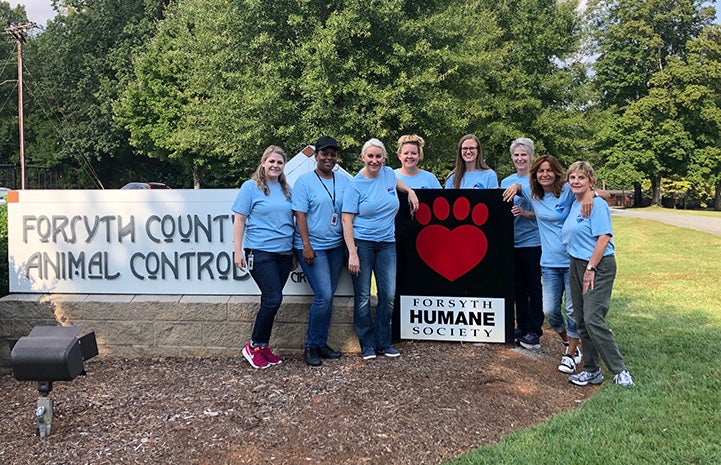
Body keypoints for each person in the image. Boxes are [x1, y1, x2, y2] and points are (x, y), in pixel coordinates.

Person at [503, 155, 593, 373]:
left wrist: (590, 195)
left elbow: (600, 194)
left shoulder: (567, 193)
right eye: (540, 171)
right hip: (549, 263)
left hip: (572, 260)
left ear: (556, 173)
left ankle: (570, 354)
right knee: (550, 310)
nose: (545, 174)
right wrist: (518, 191)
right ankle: (567, 341)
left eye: (549, 171)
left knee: (572, 310)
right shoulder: (534, 194)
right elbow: (540, 211)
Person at [342, 138, 419, 360]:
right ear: (363, 158)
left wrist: (410, 191)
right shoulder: (355, 185)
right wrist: (353, 253)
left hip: (387, 244)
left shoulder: (387, 174)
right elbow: (347, 221)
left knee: (388, 295)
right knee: (364, 296)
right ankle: (367, 344)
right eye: (370, 156)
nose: (374, 160)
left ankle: (383, 343)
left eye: (378, 156)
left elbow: (396, 183)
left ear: (384, 158)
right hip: (362, 244)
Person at [562, 161, 633, 387]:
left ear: (590, 181)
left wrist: (591, 268)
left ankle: (620, 370)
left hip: (597, 265)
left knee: (593, 318)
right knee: (581, 320)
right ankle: (592, 371)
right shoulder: (575, 201)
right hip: (576, 263)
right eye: (572, 177)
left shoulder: (596, 205)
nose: (576, 182)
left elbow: (604, 237)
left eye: (581, 178)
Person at [232, 145, 295, 369]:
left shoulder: (287, 189)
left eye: (279, 162)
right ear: (263, 162)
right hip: (260, 251)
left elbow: (293, 222)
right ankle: (253, 346)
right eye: (272, 161)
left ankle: (262, 346)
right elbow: (239, 220)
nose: (275, 166)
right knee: (273, 299)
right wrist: (238, 250)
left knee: (271, 301)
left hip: (284, 253)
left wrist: (295, 252)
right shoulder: (251, 188)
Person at [292, 136, 350, 366]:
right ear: (316, 156)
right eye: (324, 153)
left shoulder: (344, 181)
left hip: (335, 246)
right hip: (312, 247)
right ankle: (310, 347)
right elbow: (300, 215)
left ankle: (321, 343)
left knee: (328, 297)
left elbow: (348, 214)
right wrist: (306, 246)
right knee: (324, 295)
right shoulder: (304, 182)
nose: (329, 158)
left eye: (333, 154)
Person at [500, 138, 543, 351]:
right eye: (516, 155)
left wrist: (525, 210)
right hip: (511, 243)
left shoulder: (539, 180)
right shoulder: (505, 181)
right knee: (516, 287)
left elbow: (546, 212)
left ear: (531, 156)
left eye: (524, 155)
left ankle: (535, 330)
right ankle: (521, 325)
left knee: (533, 287)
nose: (520, 158)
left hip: (532, 242)